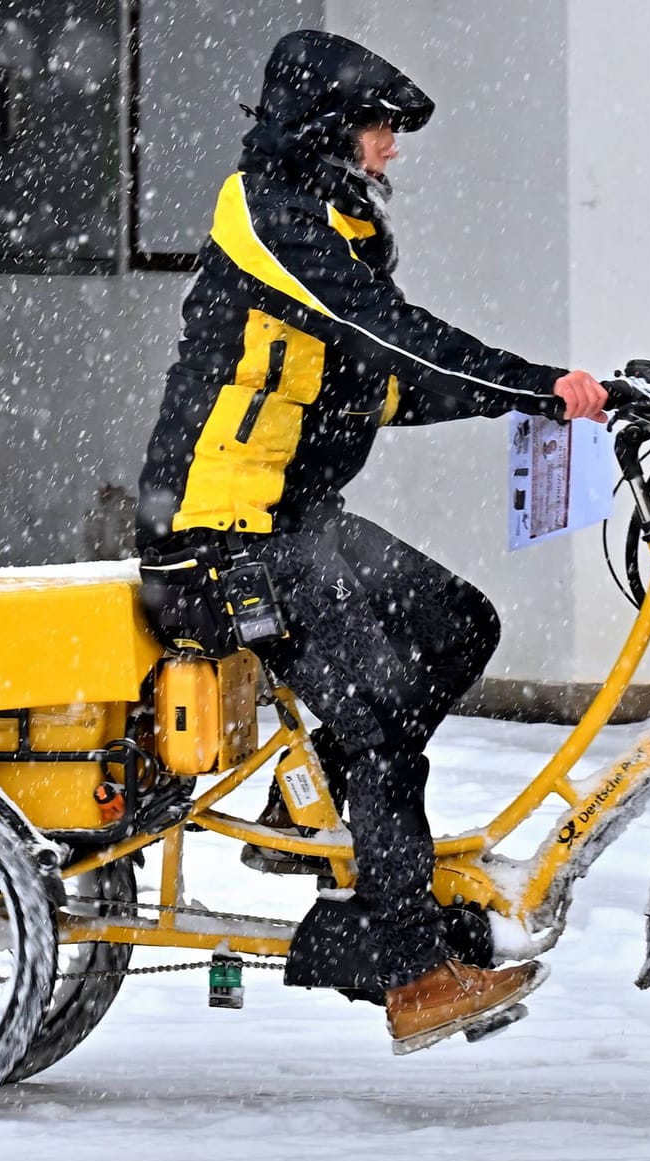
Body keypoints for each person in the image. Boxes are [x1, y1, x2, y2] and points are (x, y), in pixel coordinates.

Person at [135, 29, 608, 1054]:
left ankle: (318, 815)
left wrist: (555, 402)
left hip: (292, 523)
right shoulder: (267, 215)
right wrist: (536, 381)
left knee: (456, 624)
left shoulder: (333, 228)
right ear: (325, 129)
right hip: (219, 538)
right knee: (380, 729)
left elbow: (388, 383)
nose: (391, 148)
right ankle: (407, 966)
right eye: (379, 126)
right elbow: (389, 334)